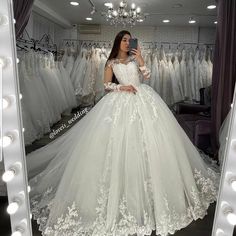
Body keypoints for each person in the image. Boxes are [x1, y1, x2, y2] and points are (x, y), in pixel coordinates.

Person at [28, 30, 219, 236]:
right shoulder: (111, 62)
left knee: (151, 143)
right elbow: (106, 85)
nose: (128, 43)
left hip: (144, 98)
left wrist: (141, 59)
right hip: (120, 100)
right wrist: (122, 88)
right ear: (118, 42)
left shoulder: (135, 58)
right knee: (113, 144)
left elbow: (148, 77)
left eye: (130, 40)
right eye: (124, 40)